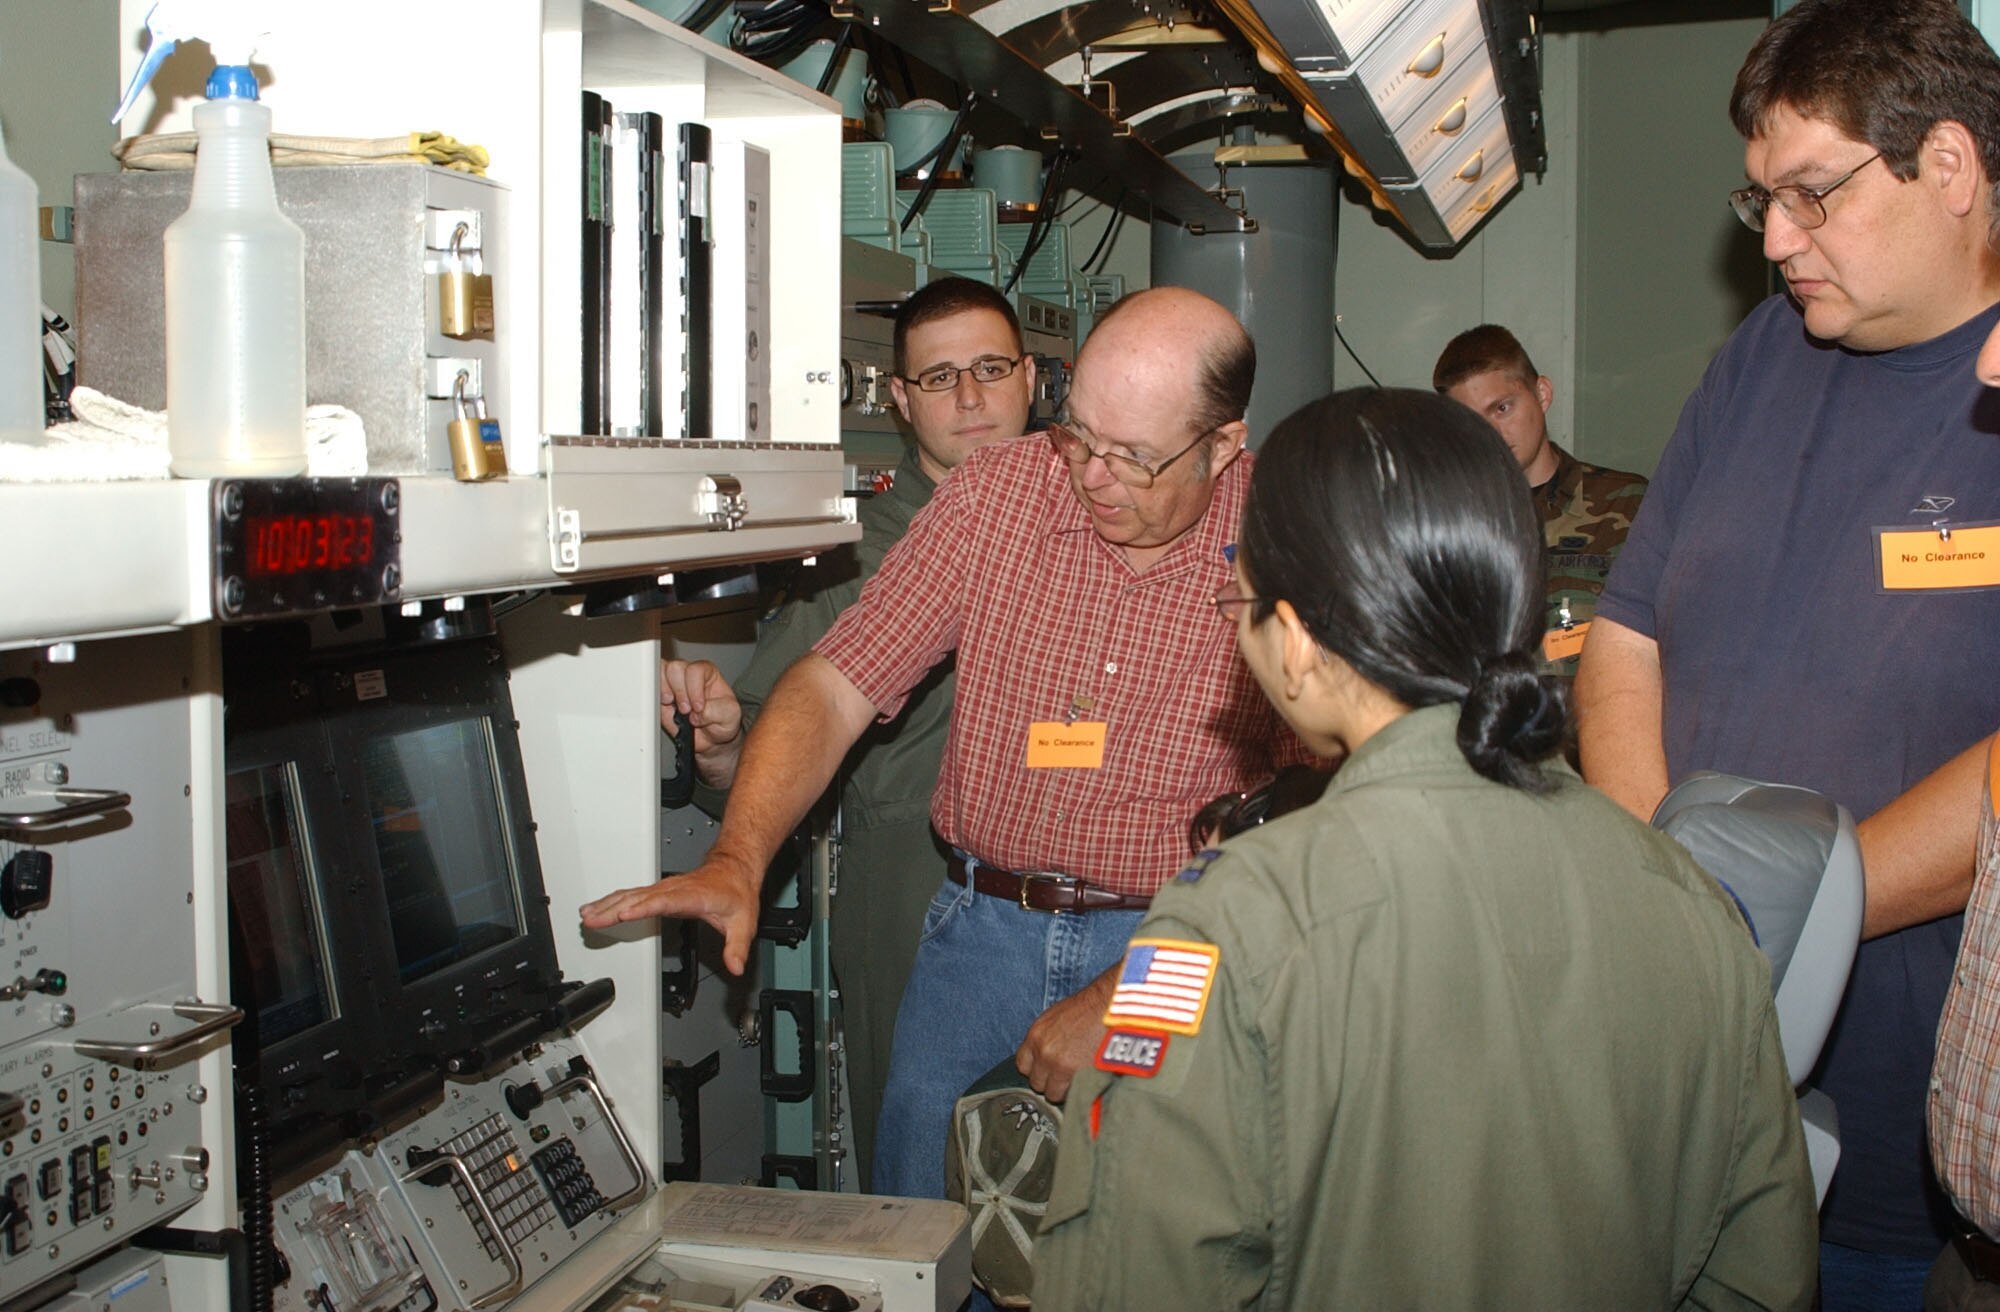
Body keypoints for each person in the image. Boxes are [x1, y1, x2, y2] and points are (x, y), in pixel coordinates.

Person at [1031, 388, 1818, 1311]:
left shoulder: (1228, 922)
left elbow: (1134, 1273)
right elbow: (1756, 1277)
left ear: (1293, 641)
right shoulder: (1691, 898)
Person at [582, 286, 1307, 1205]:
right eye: (1078, 432)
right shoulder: (996, 497)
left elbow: (1316, 824)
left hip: (1175, 943)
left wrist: (1144, 985)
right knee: (921, 1238)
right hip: (978, 938)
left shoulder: (1290, 537)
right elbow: (835, 681)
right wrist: (740, 854)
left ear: (1222, 445)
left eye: (1134, 457)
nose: (1090, 475)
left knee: (1152, 1248)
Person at [1575, 1, 2000, 1302]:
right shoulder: (1760, 357)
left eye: (1811, 195)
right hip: (1689, 1079)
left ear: (1950, 167)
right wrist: (1673, 910)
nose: (1772, 240)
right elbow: (1627, 632)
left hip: (1900, 1122)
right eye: (1760, 198)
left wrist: (1779, 928)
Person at [658, 277, 1036, 1189]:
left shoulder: (1096, 520)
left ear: (1031, 378)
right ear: (900, 401)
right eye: (940, 378)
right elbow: (765, 739)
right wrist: (717, 743)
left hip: (1082, 889)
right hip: (914, 882)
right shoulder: (855, 556)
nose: (971, 398)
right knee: (928, 1167)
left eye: (990, 369)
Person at [1433, 324, 1646, 677]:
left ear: (1542, 394)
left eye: (1502, 408)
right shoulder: (1444, 526)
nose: (1494, 435)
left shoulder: (1624, 505)